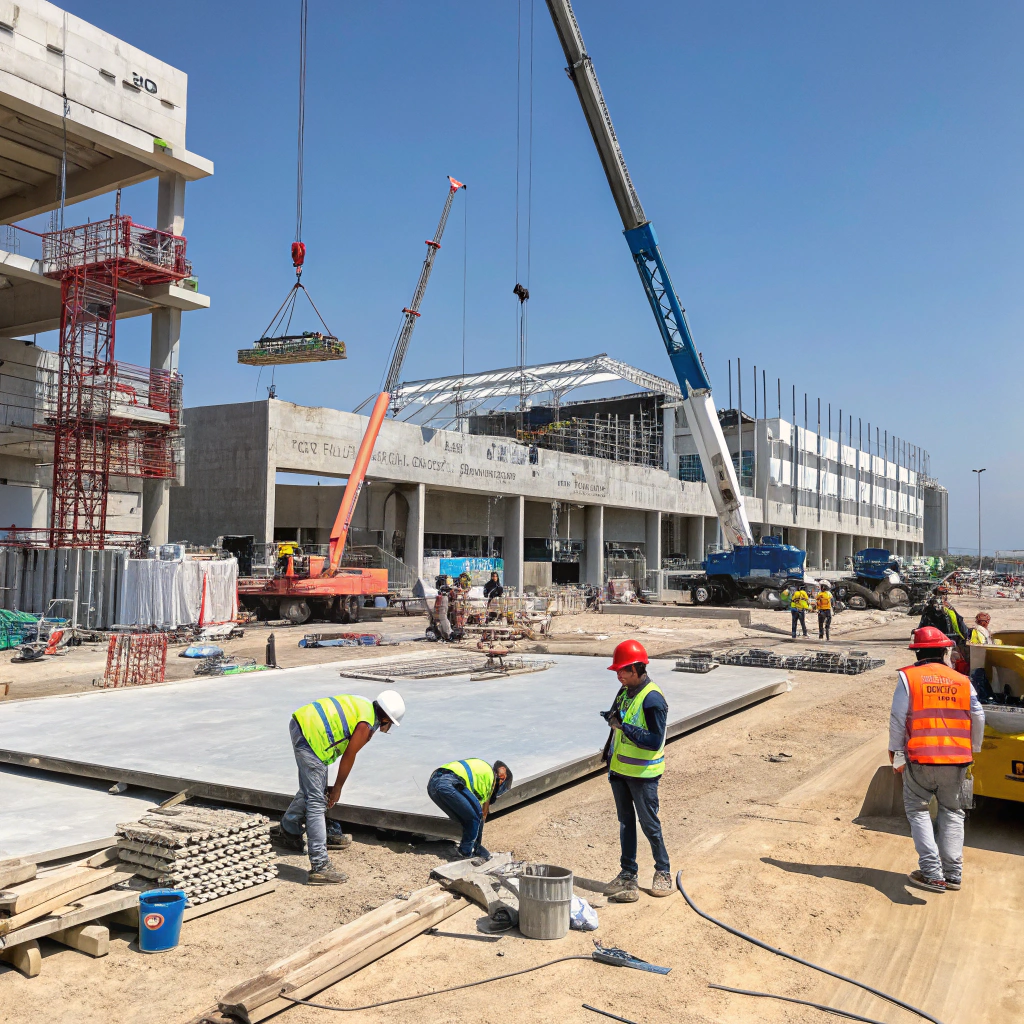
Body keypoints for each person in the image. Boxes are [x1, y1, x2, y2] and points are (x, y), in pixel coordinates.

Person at [272, 690, 406, 884]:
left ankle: (289, 831)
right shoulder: (366, 724)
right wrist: (338, 788)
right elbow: (349, 756)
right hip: (312, 737)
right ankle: (320, 866)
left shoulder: (364, 706)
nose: (387, 728)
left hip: (302, 724)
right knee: (317, 801)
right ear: (386, 718)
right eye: (390, 724)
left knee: (312, 790)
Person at [889, 626, 984, 893]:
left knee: (918, 810)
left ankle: (932, 873)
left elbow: (898, 716)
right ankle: (952, 874)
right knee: (952, 812)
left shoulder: (908, 677)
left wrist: (895, 752)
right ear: (944, 651)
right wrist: (973, 748)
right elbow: (978, 715)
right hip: (957, 759)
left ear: (917, 652)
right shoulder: (962, 680)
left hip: (920, 758)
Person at [601, 639, 672, 902]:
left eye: (622, 670)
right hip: (619, 770)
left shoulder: (652, 699)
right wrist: (611, 723)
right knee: (626, 823)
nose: (618, 675)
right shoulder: (624, 691)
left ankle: (663, 871)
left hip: (643, 776)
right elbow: (616, 718)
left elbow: (654, 740)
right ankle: (628, 873)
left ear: (636, 668)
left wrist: (623, 727)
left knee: (649, 824)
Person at [427, 758, 513, 860]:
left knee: (465, 818)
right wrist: (478, 846)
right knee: (473, 818)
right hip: (449, 782)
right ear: (502, 777)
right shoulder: (490, 779)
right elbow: (481, 814)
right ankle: (465, 853)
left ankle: (469, 848)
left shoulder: (482, 775)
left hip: (433, 784)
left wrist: (477, 845)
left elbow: (480, 813)